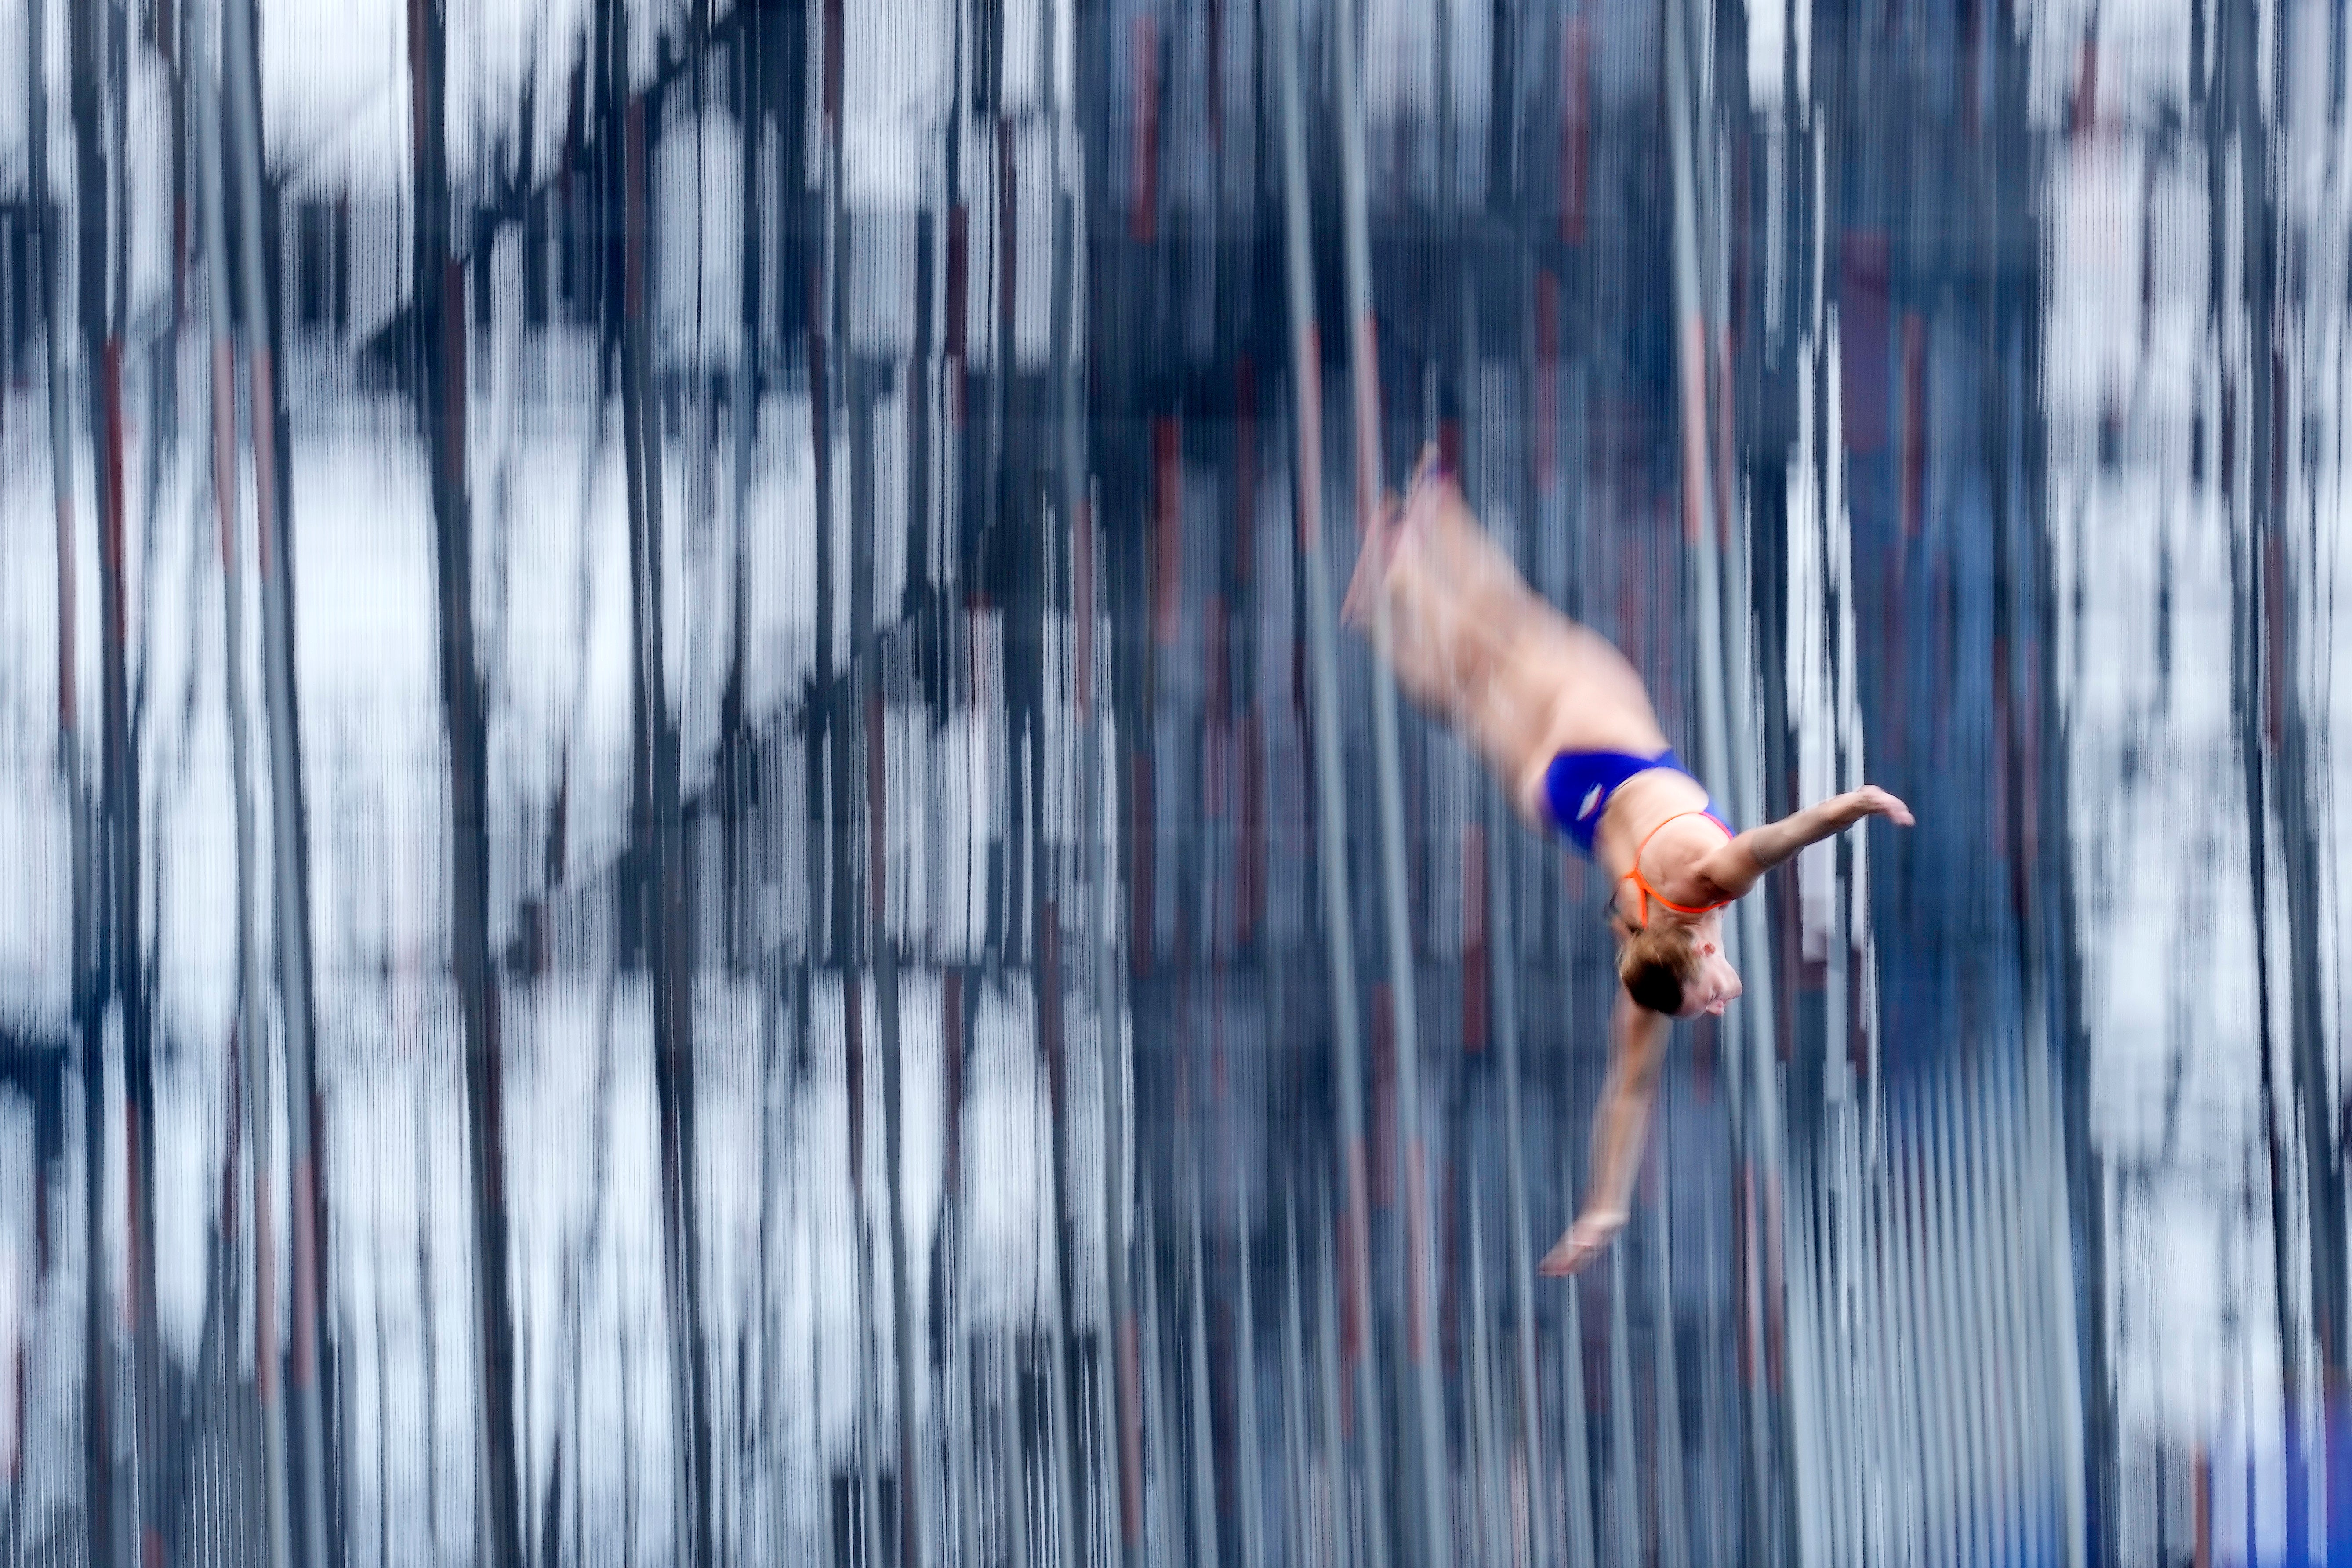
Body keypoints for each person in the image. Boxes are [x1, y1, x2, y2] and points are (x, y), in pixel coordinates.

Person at [1343, 450, 1914, 1276]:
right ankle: (1388, 596)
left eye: (1705, 1000)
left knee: (1516, 633)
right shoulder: (1643, 964)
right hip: (1554, 800)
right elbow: (1629, 1092)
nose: (1719, 1007)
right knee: (1464, 693)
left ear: (1697, 955)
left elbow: (1783, 835)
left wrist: (1859, 803)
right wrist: (1603, 1206)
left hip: (1601, 745)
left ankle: (1426, 538)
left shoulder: (1713, 878)